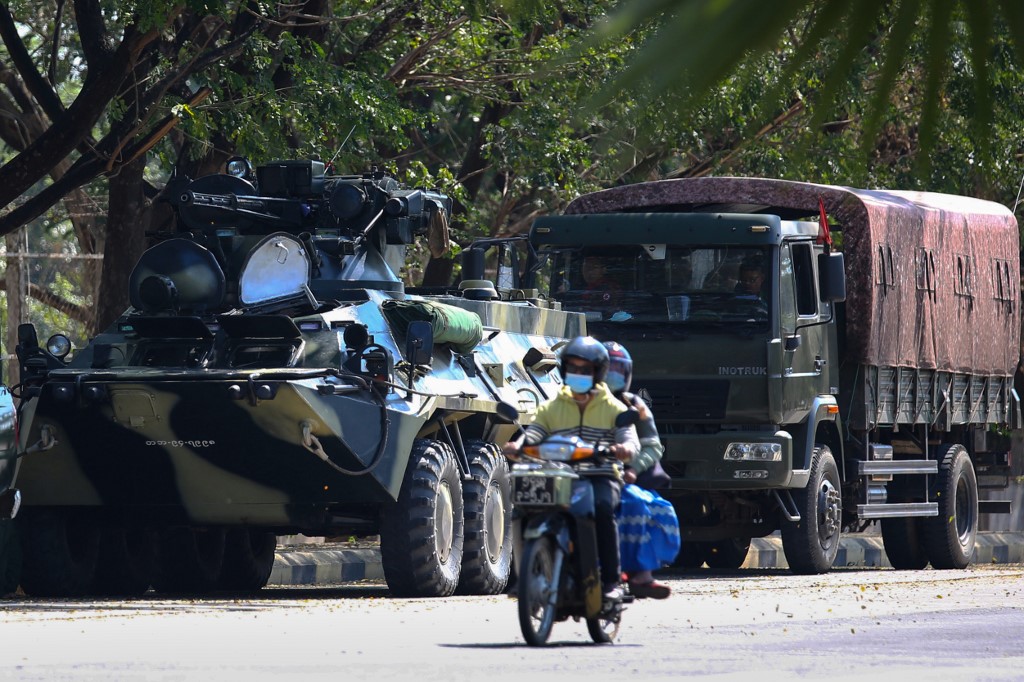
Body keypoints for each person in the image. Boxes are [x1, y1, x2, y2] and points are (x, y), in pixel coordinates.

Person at [503, 336, 639, 599]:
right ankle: (525, 576)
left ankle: (611, 582)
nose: (578, 374)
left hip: (600, 475)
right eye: (573, 369)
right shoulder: (553, 405)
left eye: (584, 369)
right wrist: (518, 445)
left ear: (598, 373)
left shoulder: (614, 407)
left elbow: (628, 438)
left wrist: (625, 449)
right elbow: (535, 432)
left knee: (601, 510)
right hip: (560, 476)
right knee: (524, 509)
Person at [604, 341, 680, 600]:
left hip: (619, 477)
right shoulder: (576, 400)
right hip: (581, 472)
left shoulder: (635, 406)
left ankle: (640, 574)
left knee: (640, 504)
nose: (611, 375)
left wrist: (632, 469)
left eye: (617, 369)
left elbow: (652, 447)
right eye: (606, 368)